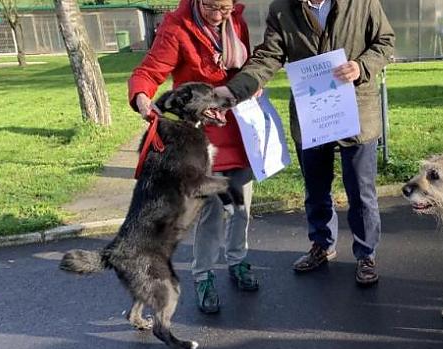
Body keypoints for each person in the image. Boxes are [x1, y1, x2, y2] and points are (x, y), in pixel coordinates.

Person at [216, 0, 394, 286]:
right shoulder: (281, 8)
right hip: (311, 114)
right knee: (316, 187)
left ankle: (366, 255)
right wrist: (237, 89)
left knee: (361, 191)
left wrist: (361, 67)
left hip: (358, 112)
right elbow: (269, 56)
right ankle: (322, 245)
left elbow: (385, 41)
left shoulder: (363, 3)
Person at [128, 0, 259, 314]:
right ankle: (204, 275)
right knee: (212, 210)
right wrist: (143, 97)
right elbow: (149, 70)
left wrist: (253, 85)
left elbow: (247, 66)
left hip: (239, 126)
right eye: (213, 7)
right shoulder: (177, 27)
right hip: (203, 134)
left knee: (242, 204)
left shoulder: (235, 20)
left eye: (225, 8)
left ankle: (238, 261)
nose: (219, 16)